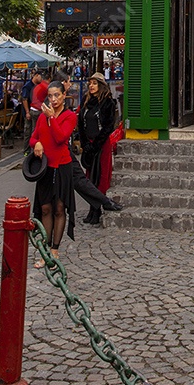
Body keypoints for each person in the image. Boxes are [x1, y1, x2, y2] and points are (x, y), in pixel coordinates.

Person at [29, 80, 77, 265]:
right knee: (45, 208)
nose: (54, 99)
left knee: (59, 208)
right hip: (46, 168)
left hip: (62, 166)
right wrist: (37, 143)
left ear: (64, 95)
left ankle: (54, 249)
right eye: (50, 96)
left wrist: (52, 118)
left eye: (57, 95)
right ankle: (45, 249)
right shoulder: (42, 117)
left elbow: (61, 137)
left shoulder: (69, 116)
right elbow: (33, 138)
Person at [77, 73, 118, 223]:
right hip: (89, 143)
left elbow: (108, 126)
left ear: (100, 85)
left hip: (101, 144)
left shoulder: (107, 103)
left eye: (94, 83)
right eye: (90, 83)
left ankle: (97, 209)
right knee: (90, 177)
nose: (91, 86)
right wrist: (85, 144)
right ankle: (92, 208)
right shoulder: (86, 102)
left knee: (100, 175)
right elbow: (80, 123)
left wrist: (96, 144)